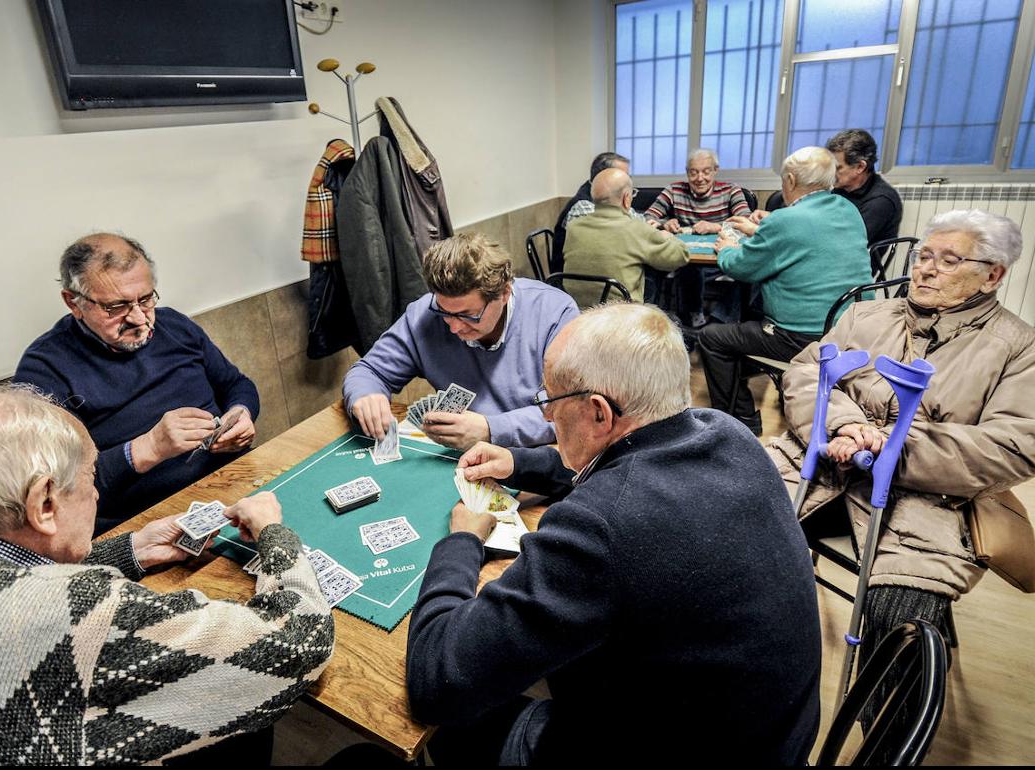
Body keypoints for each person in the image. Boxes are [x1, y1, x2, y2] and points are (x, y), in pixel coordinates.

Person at [406, 303, 822, 765]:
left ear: (599, 414)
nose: (547, 416)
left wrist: (461, 542)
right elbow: (629, 461)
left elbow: (436, 681)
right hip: (774, 738)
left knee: (454, 730)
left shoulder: (599, 526)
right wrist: (518, 462)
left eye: (550, 400)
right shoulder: (727, 432)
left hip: (697, 748)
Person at [0, 384, 334, 765]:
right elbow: (300, 646)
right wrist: (273, 532)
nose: (97, 493)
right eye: (89, 477)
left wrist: (132, 550)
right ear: (44, 503)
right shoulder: (78, 609)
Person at [767, 209, 1035, 694]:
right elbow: (806, 373)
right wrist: (845, 425)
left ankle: (883, 729)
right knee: (721, 538)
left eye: (948, 261)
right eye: (923, 256)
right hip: (818, 468)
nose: (925, 269)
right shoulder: (866, 315)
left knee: (901, 626)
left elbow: (1020, 444)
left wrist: (893, 447)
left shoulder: (1026, 352)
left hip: (925, 503)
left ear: (992, 275)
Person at [15, 233, 260, 534]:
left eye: (145, 300)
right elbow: (55, 489)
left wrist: (241, 413)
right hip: (144, 522)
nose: (138, 319)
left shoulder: (175, 325)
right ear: (73, 303)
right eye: (115, 307)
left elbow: (237, 384)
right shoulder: (43, 369)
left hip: (233, 477)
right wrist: (149, 447)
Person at [344, 232, 579, 451]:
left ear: (504, 293)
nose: (454, 327)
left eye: (468, 315)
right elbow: (369, 371)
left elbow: (574, 411)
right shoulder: (424, 313)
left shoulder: (555, 313)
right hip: (459, 456)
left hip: (540, 454)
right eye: (444, 313)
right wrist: (365, 394)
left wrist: (491, 429)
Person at [699, 146, 873, 436]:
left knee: (712, 338)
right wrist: (762, 230)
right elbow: (805, 238)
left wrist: (726, 249)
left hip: (803, 337)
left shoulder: (785, 220)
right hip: (852, 328)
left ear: (790, 180)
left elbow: (741, 267)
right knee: (743, 328)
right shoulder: (848, 209)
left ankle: (739, 422)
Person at [646, 149, 752, 328]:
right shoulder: (674, 190)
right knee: (680, 267)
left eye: (706, 171)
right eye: (693, 172)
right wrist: (665, 223)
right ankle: (685, 319)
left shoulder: (731, 190)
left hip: (720, 257)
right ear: (687, 172)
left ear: (715, 170)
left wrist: (716, 226)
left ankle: (721, 321)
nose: (699, 178)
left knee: (747, 272)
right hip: (685, 259)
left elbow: (746, 222)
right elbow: (648, 217)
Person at [560, 167, 690, 307]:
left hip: (577, 311)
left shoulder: (574, 227)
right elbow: (680, 256)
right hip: (621, 313)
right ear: (626, 198)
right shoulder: (636, 228)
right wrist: (668, 236)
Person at [551, 152, 631, 273]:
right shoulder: (583, 206)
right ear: (604, 176)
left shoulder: (609, 196)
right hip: (574, 276)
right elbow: (612, 241)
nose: (628, 181)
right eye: (623, 176)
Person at [826, 128, 903, 251]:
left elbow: (846, 243)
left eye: (838, 168)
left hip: (850, 260)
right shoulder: (841, 189)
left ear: (860, 167)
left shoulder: (881, 200)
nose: (831, 172)